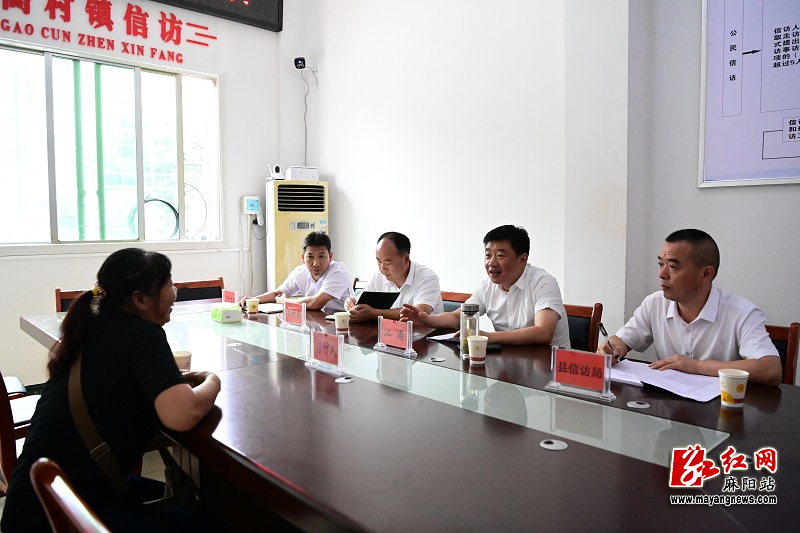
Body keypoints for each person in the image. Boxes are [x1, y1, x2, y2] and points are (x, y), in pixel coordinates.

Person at [1, 248, 222, 532]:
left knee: (186, 500)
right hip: (61, 515)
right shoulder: (143, 335)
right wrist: (212, 380)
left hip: (35, 503)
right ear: (140, 300)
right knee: (214, 523)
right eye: (169, 285)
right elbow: (183, 414)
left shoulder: (90, 328)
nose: (174, 293)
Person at [597, 229, 782, 386]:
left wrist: (695, 366)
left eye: (673, 266)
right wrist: (612, 349)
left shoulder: (742, 313)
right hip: (668, 408)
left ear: (706, 274)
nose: (662, 274)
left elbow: (771, 369)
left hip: (722, 410)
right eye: (661, 264)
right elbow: (622, 340)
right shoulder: (655, 303)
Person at [400, 225, 570, 347]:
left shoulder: (543, 282)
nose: (491, 263)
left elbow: (543, 332)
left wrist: (488, 337)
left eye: (500, 256)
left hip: (550, 370)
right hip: (511, 362)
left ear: (522, 260)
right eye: (488, 255)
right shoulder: (487, 287)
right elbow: (457, 317)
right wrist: (426, 319)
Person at [242, 231, 352, 313]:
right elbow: (277, 294)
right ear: (303, 258)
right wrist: (254, 300)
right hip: (315, 322)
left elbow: (316, 303)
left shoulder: (338, 272)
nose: (316, 263)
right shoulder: (300, 272)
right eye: (310, 257)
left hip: (342, 326)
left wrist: (285, 302)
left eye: (321, 256)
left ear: (330, 257)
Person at [346, 231, 443, 322]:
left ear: (406, 259)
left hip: (424, 333)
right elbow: (360, 302)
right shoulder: (378, 276)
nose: (382, 268)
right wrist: (351, 304)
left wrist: (374, 314)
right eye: (379, 261)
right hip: (387, 332)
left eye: (387, 262)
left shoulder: (427, 278)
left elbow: (418, 314)